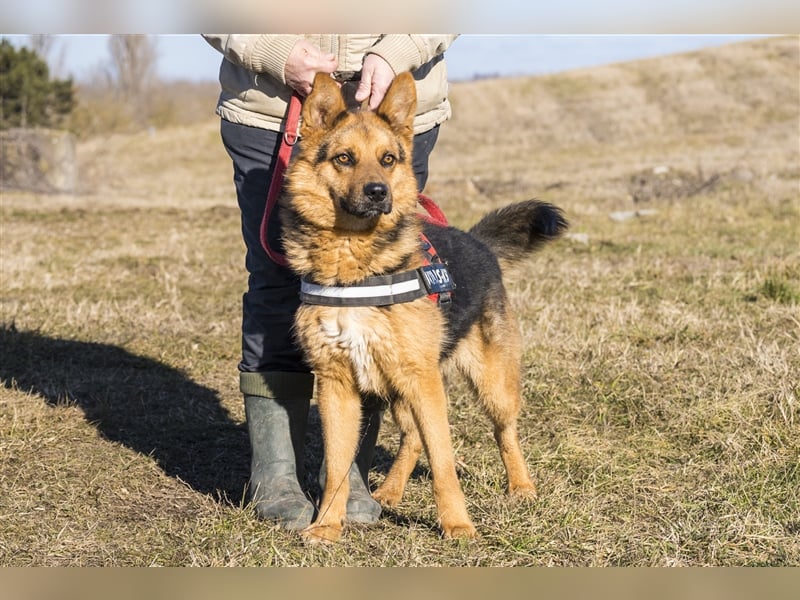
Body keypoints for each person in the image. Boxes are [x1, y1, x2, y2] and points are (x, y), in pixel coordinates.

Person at [203, 34, 458, 530]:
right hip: (267, 103)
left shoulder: (387, 156)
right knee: (274, 286)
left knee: (388, 311)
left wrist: (397, 50)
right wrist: (273, 52)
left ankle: (350, 477)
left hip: (399, 97)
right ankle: (276, 475)